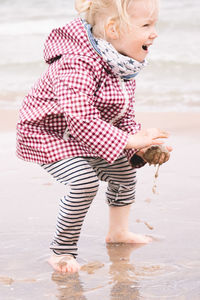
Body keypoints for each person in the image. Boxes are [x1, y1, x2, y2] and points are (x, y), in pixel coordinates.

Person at [16, 0, 172, 273]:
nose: (154, 32)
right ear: (113, 29)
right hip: (48, 135)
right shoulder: (76, 63)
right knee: (84, 181)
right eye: (146, 25)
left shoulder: (121, 62)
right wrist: (128, 141)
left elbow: (122, 116)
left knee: (124, 170)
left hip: (85, 135)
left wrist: (139, 147)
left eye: (154, 24)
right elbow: (80, 118)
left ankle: (118, 232)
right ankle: (62, 251)